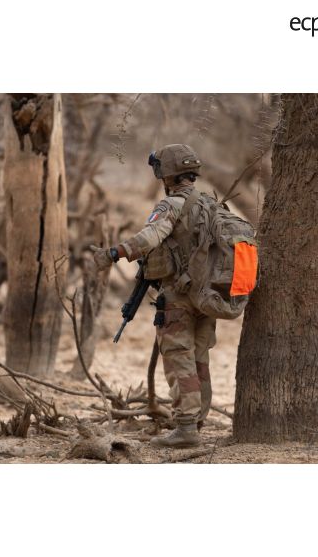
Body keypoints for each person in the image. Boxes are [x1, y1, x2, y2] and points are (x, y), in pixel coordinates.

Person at [91, 144, 215, 448]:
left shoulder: (171, 205)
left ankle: (186, 429)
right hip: (207, 296)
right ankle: (197, 420)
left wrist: (115, 253)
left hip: (179, 296)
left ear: (167, 173)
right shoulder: (213, 205)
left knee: (178, 358)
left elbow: (149, 237)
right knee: (200, 358)